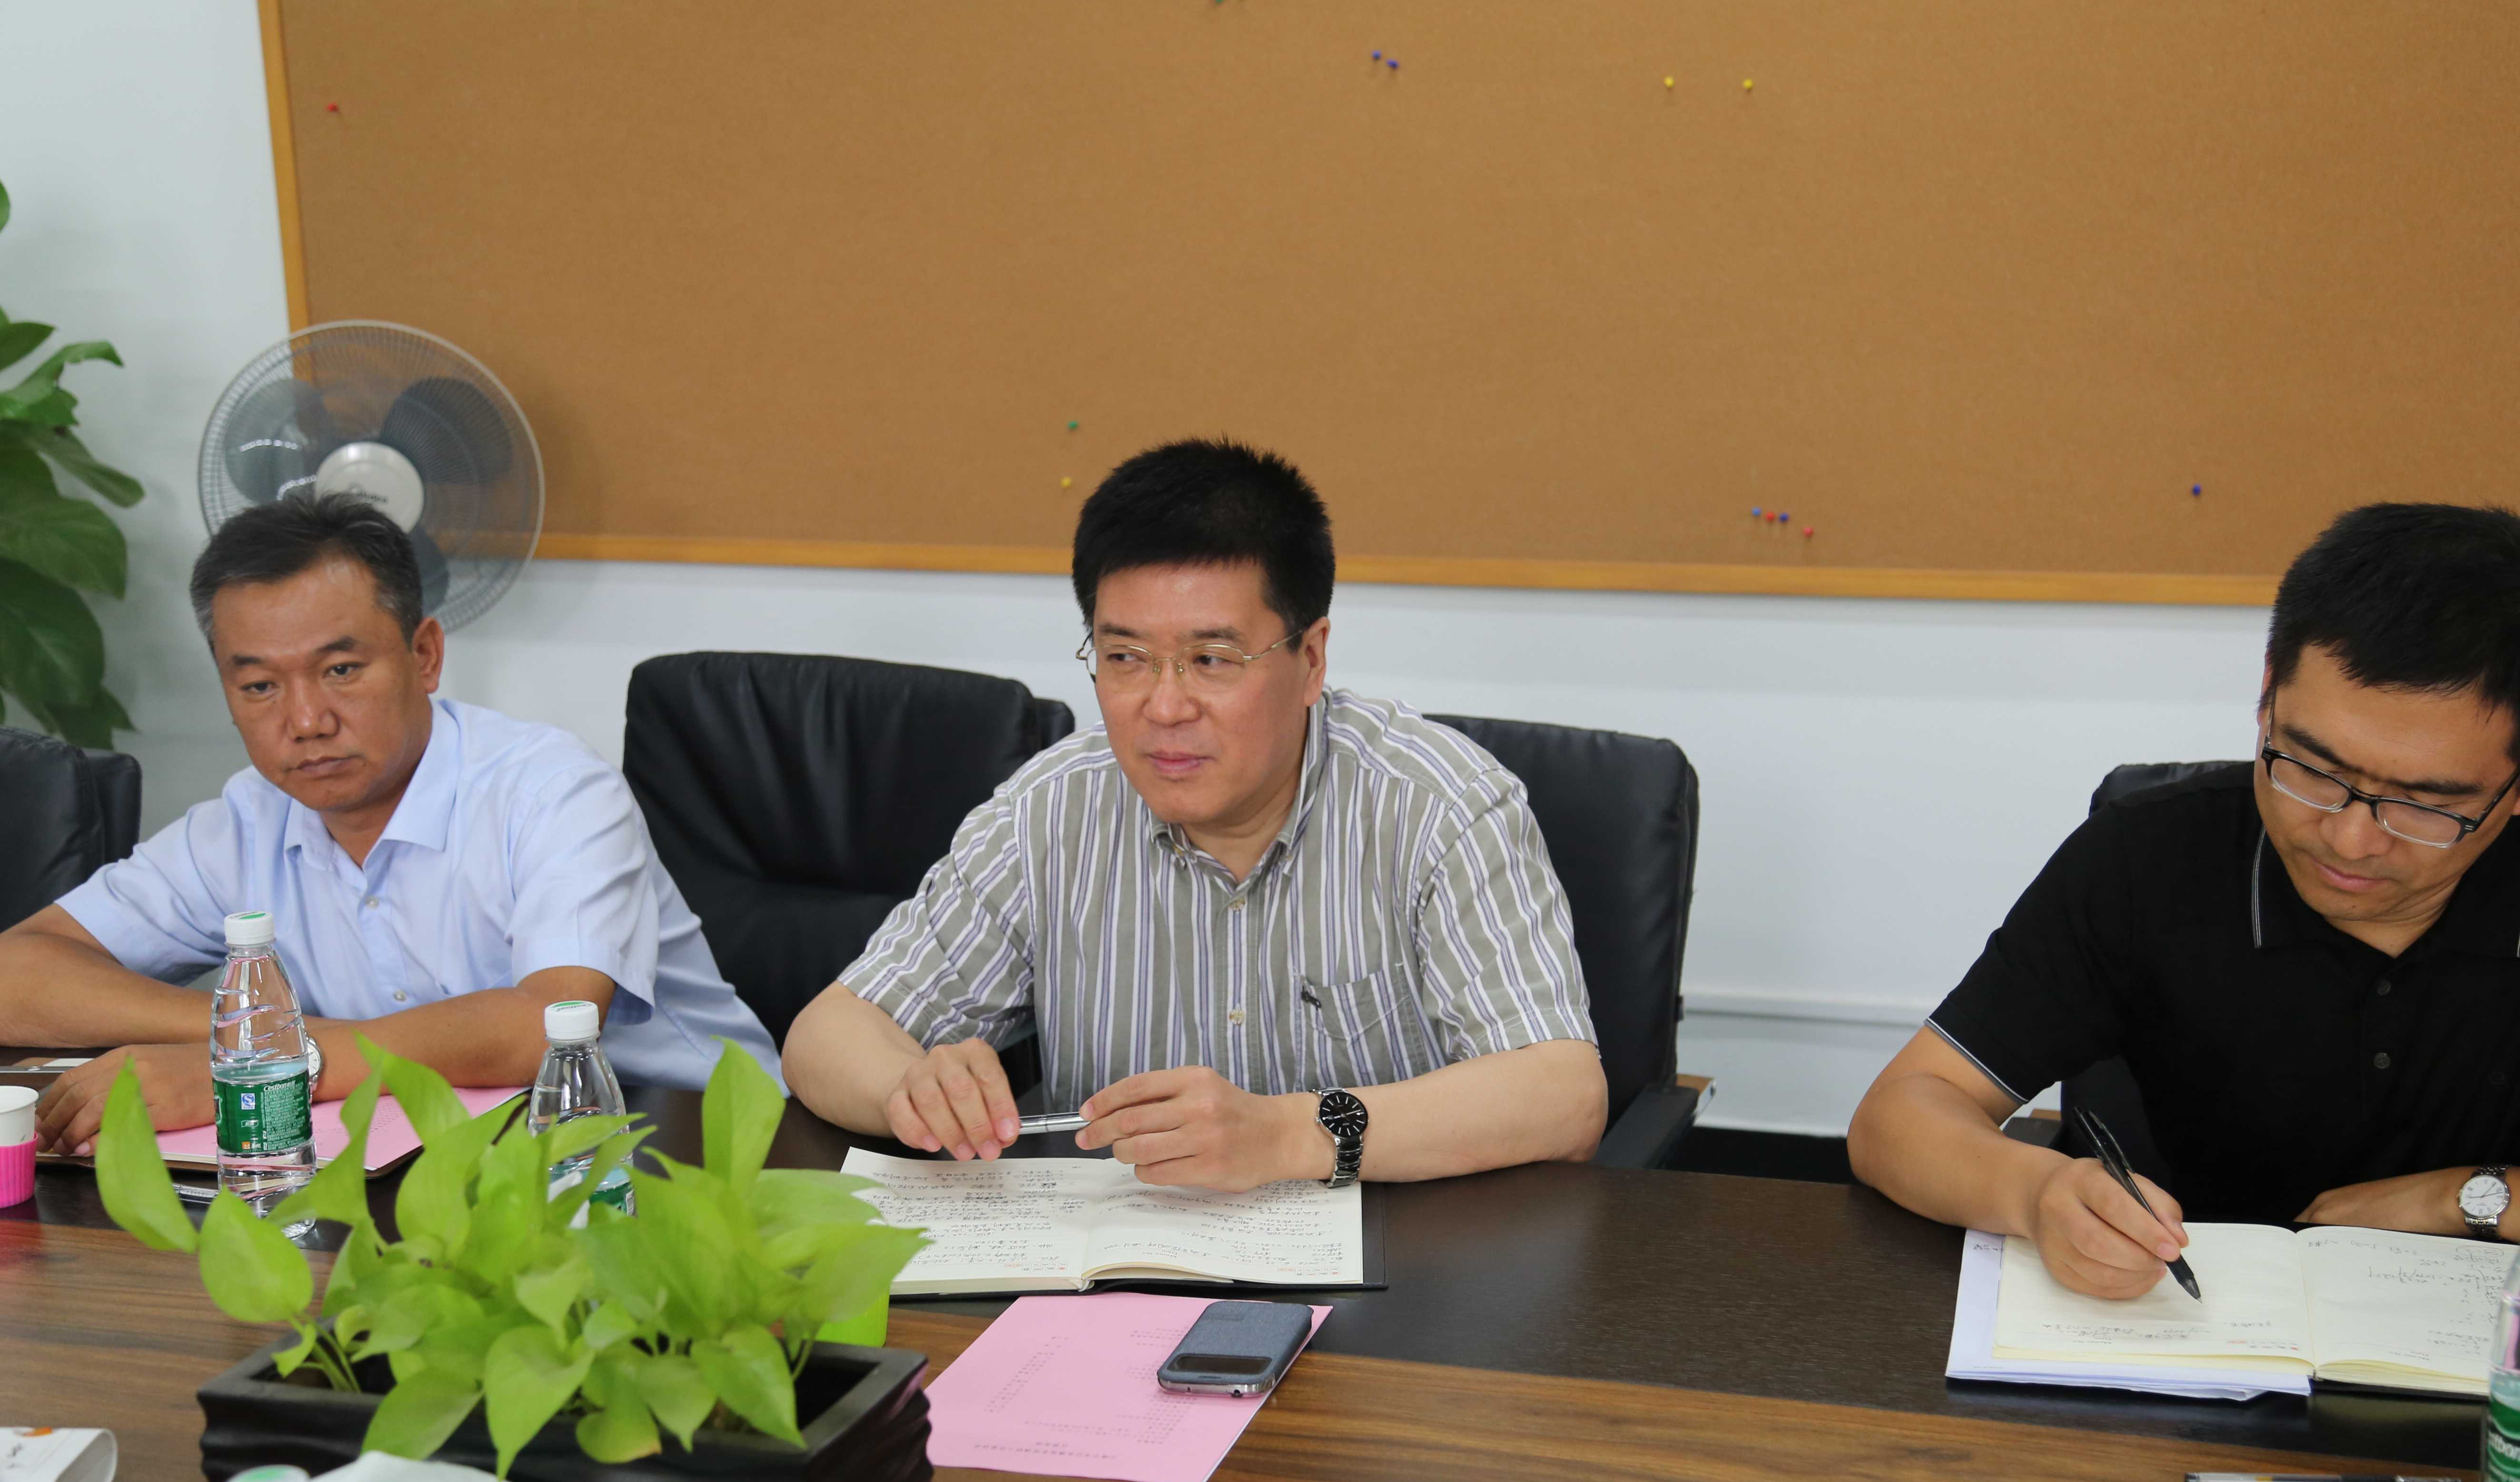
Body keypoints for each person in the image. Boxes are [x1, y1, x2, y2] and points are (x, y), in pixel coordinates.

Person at [1849, 503, 2520, 1294]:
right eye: (2312, 768)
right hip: (2205, 1341)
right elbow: (1901, 1114)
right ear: (2268, 690)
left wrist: (2475, 1199)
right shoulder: (2150, 853)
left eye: (2427, 805)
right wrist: (2037, 1192)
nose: (2350, 839)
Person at [784, 438, 1605, 1187]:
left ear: (1311, 658)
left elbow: (1562, 1094)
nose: (1165, 707)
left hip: (1398, 1266)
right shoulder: (1051, 811)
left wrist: (1288, 1134)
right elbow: (829, 1033)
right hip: (1114, 1266)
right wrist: (913, 1087)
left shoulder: (1438, 807)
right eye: (1125, 658)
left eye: (1211, 660)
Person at [0, 492, 777, 1152]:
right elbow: (17, 974)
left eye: (341, 670)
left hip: (685, 1146)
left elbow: (546, 1025)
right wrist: (251, 1037)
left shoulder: (553, 790)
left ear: (425, 655)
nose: (306, 720)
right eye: (261, 686)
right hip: (440, 1159)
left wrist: (273, 1065)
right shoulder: (247, 819)